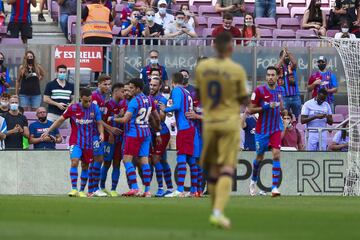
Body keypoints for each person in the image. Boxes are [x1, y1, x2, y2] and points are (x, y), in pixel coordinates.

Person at [195, 32, 249, 228]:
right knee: (226, 168)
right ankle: (218, 211)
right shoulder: (236, 70)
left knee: (213, 168)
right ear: (230, 48)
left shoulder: (203, 68)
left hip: (210, 122)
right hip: (228, 122)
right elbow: (244, 99)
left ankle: (213, 207)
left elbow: (200, 93)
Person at [41, 88, 105, 197]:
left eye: (90, 100)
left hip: (89, 142)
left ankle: (81, 190)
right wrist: (48, 130)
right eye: (86, 101)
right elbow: (60, 120)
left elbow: (99, 123)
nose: (88, 103)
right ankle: (74, 188)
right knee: (74, 161)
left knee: (85, 165)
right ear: (80, 99)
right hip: (76, 141)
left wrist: (102, 134)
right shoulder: (73, 108)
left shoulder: (95, 108)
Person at [111, 78, 161, 197]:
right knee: (144, 160)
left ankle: (135, 188)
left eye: (132, 88)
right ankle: (147, 190)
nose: (130, 90)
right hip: (146, 133)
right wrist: (157, 130)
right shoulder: (150, 99)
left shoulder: (134, 101)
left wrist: (112, 118)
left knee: (126, 160)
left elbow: (125, 120)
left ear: (138, 89)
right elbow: (157, 118)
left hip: (134, 134)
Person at [248, 66, 283, 198]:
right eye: (268, 75)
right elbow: (250, 110)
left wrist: (282, 110)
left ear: (277, 77)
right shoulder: (259, 91)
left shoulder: (280, 90)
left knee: (276, 154)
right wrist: (267, 106)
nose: (270, 77)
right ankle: (253, 181)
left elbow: (281, 106)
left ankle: (274, 187)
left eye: (273, 75)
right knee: (259, 157)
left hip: (275, 129)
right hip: (262, 130)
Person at [159, 73, 195, 198]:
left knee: (181, 156)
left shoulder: (177, 91)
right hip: (190, 127)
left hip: (184, 128)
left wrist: (165, 109)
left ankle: (180, 189)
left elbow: (177, 106)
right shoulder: (187, 92)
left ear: (172, 82)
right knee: (190, 159)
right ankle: (195, 189)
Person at [88, 74, 113, 197]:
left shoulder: (103, 97)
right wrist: (109, 129)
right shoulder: (95, 97)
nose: (108, 87)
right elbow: (96, 118)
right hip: (92, 132)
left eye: (109, 84)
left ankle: (92, 188)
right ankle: (94, 188)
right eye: (105, 84)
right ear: (99, 84)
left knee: (97, 159)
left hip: (97, 132)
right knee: (98, 158)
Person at [100, 83, 125, 197]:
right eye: (122, 91)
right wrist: (110, 133)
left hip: (119, 139)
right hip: (109, 139)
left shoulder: (123, 105)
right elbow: (101, 121)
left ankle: (114, 189)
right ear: (116, 92)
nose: (124, 94)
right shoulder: (107, 105)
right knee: (107, 162)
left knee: (117, 163)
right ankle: (102, 187)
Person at [149, 76, 171, 197]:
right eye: (151, 85)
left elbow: (162, 118)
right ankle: (170, 187)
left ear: (159, 87)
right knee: (162, 160)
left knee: (155, 160)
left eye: (154, 85)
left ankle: (161, 188)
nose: (152, 87)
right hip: (151, 133)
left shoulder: (161, 99)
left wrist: (154, 112)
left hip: (161, 133)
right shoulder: (148, 97)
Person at [43, 64, 74, 129]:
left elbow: (74, 99)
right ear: (57, 73)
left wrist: (70, 105)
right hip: (52, 115)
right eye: (60, 72)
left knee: (65, 136)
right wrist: (57, 104)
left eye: (64, 72)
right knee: (50, 133)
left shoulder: (71, 86)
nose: (62, 74)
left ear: (66, 73)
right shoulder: (50, 84)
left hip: (66, 115)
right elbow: (45, 99)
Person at [276, 47, 301, 119]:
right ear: (281, 57)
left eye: (287, 56)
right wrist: (283, 56)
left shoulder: (292, 67)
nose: (286, 58)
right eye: (285, 56)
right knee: (284, 117)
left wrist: (288, 53)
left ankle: (296, 130)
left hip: (295, 96)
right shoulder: (278, 68)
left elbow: (295, 63)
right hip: (283, 97)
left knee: (297, 117)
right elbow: (276, 67)